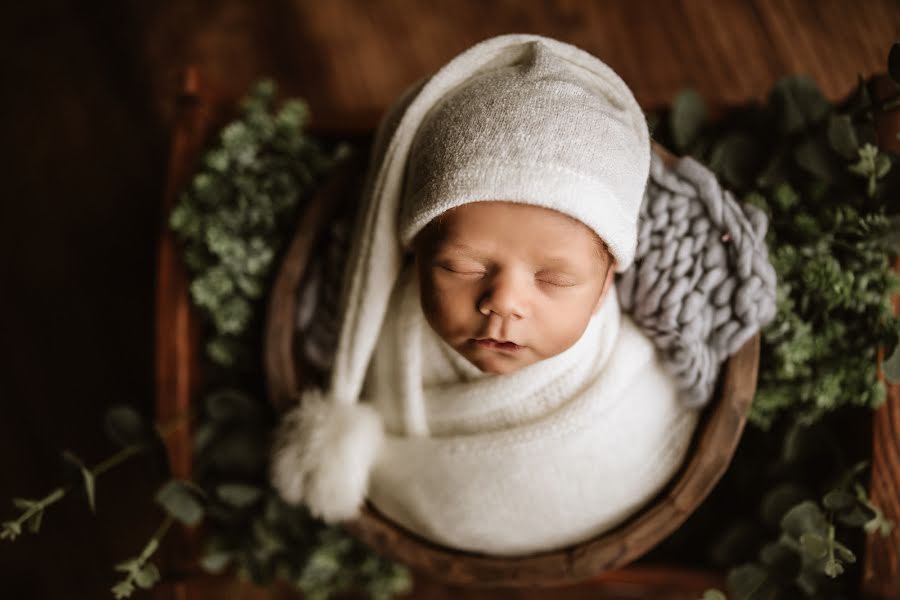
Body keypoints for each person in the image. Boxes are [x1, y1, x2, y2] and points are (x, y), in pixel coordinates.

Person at [273, 33, 703, 556]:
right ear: (412, 254)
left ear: (607, 281)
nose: (503, 302)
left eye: (555, 280)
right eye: (461, 266)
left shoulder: (642, 380)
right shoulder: (377, 329)